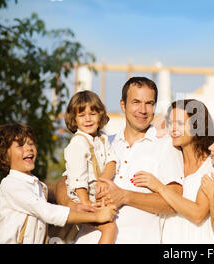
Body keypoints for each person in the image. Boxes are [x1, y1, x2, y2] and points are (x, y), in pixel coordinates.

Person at [55, 77, 184, 244]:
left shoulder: (166, 146)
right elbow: (63, 183)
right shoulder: (102, 142)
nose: (142, 110)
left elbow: (175, 203)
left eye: (149, 103)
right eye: (136, 102)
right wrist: (71, 205)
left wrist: (125, 196)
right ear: (123, 105)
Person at [0, 123, 117, 244]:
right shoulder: (11, 185)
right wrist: (97, 216)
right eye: (21, 145)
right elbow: (48, 212)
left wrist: (74, 209)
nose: (29, 148)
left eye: (31, 143)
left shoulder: (39, 186)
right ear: (4, 155)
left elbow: (37, 226)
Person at [133, 99, 214, 243]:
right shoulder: (170, 156)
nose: (173, 129)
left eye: (179, 123)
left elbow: (198, 215)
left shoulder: (212, 166)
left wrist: (160, 187)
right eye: (171, 123)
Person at [62, 90, 118, 244]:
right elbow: (77, 177)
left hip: (96, 194)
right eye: (82, 115)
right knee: (110, 227)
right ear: (74, 119)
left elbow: (112, 162)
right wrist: (85, 202)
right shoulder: (78, 143)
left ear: (100, 115)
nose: (88, 119)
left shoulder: (103, 139)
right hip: (81, 196)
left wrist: (103, 180)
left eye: (92, 114)